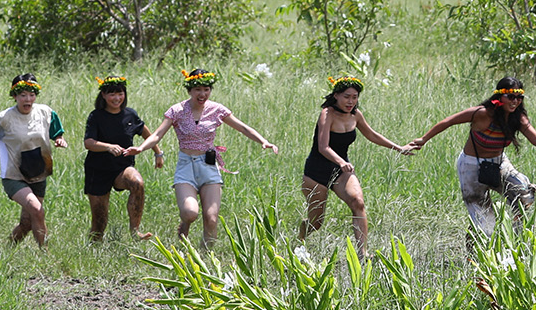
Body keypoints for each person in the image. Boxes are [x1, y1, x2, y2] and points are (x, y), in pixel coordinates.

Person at [132, 69, 276, 251]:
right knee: (190, 212)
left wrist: (263, 141)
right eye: (198, 89)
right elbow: (157, 135)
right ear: (190, 90)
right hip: (186, 165)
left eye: (206, 89)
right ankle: (185, 223)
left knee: (211, 218)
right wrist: (141, 148)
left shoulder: (217, 110)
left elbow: (243, 128)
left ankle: (205, 258)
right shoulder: (177, 111)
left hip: (208, 165)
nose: (203, 94)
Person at [404, 76, 536, 235]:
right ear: (499, 96)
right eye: (510, 97)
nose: (515, 101)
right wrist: (423, 139)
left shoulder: (518, 118)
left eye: (519, 98)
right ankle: (473, 251)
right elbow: (448, 121)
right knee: (485, 225)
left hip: (498, 163)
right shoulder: (482, 114)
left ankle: (518, 237)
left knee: (523, 192)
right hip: (471, 166)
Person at [298, 74, 410, 258]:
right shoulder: (327, 114)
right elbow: (323, 146)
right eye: (346, 96)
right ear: (336, 95)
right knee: (316, 223)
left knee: (358, 202)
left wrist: (398, 148)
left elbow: (372, 135)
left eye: (354, 97)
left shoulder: (356, 115)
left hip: (342, 172)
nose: (351, 101)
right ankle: (301, 236)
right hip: (317, 172)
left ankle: (362, 254)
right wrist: (341, 161)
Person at [0, 73, 68, 247]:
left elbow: (55, 129)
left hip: (39, 172)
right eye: (22, 95)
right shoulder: (4, 118)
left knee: (27, 223)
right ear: (14, 96)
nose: (28, 99)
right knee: (37, 211)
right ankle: (46, 257)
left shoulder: (45, 112)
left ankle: (7, 249)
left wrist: (59, 138)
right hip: (14, 176)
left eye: (31, 94)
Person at [81, 75, 158, 242]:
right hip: (98, 170)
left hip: (122, 168)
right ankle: (95, 248)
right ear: (103, 95)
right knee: (99, 224)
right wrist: (108, 147)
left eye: (120, 93)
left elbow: (145, 131)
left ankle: (135, 231)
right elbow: (88, 143)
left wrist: (157, 152)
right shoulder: (96, 116)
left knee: (137, 183)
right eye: (112, 94)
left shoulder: (130, 115)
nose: (117, 98)